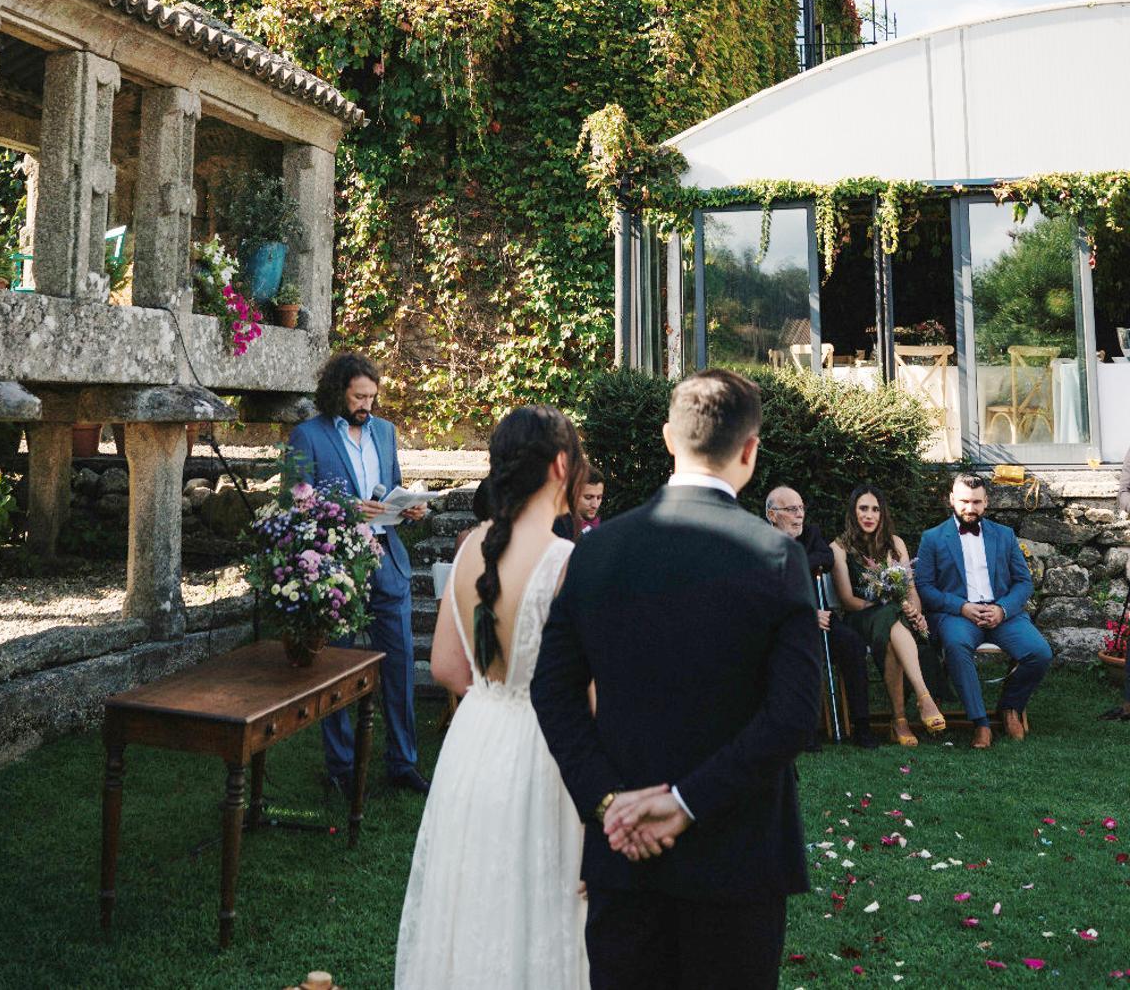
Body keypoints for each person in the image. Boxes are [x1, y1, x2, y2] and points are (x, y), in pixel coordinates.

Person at [531, 370, 822, 990]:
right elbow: (795, 713)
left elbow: (551, 690)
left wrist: (611, 803)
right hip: (736, 851)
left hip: (625, 851)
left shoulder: (597, 551)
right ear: (750, 450)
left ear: (668, 438)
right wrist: (687, 802)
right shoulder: (776, 556)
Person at [395, 406, 590, 989]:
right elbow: (591, 692)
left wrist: (496, 699)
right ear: (561, 466)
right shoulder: (565, 563)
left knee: (476, 898)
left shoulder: (468, 550)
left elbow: (446, 667)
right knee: (543, 901)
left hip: (474, 747)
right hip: (548, 753)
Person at [287, 352, 430, 795]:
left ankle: (403, 763)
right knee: (338, 666)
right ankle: (341, 768)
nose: (367, 404)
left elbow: (391, 488)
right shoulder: (306, 435)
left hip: (387, 560)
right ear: (337, 392)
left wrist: (410, 508)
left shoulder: (385, 432)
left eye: (372, 396)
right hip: (336, 567)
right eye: (358, 396)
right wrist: (347, 509)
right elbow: (295, 499)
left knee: (401, 663)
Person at [915, 472, 1052, 750]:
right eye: (964, 501)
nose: (970, 508)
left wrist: (1002, 609)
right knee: (955, 646)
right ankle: (980, 722)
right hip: (958, 615)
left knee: (1039, 653)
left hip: (1001, 613)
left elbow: (1024, 583)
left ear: (986, 502)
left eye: (976, 502)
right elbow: (925, 587)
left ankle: (1010, 707)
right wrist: (961, 607)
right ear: (952, 500)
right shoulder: (932, 538)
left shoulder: (1004, 535)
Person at [831, 484, 947, 748]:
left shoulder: (895, 544)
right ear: (853, 512)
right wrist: (885, 604)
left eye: (875, 509)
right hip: (861, 618)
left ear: (882, 514)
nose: (869, 515)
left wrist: (915, 611)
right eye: (863, 509)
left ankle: (900, 721)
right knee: (889, 618)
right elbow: (848, 600)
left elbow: (910, 589)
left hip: (896, 619)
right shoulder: (838, 548)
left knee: (893, 634)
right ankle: (923, 696)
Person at [765, 486, 879, 749]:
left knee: (852, 644)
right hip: (784, 623)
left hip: (823, 618)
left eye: (801, 508)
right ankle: (805, 728)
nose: (799, 515)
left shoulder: (811, 534)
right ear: (772, 515)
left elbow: (825, 558)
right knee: (799, 649)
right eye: (791, 510)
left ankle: (862, 725)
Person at [578, 466, 604, 533]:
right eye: (588, 497)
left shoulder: (605, 526)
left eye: (599, 498)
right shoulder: (558, 530)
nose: (595, 505)